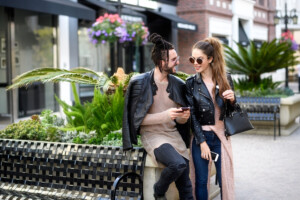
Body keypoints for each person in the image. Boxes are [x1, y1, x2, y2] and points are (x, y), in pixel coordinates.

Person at [122, 33, 193, 200]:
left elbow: (179, 120)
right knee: (177, 164)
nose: (178, 61)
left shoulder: (178, 84)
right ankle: (158, 190)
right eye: (174, 59)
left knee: (186, 186)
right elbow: (136, 120)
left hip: (173, 136)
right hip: (153, 137)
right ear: (162, 62)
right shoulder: (139, 82)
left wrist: (183, 117)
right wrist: (165, 116)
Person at [186, 37, 236, 200]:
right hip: (202, 138)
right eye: (192, 59)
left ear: (210, 59)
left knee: (224, 181)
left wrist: (232, 100)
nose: (195, 63)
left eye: (199, 59)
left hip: (221, 138)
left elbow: (232, 112)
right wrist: (202, 143)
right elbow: (192, 115)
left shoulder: (225, 79)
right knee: (200, 181)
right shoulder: (191, 83)